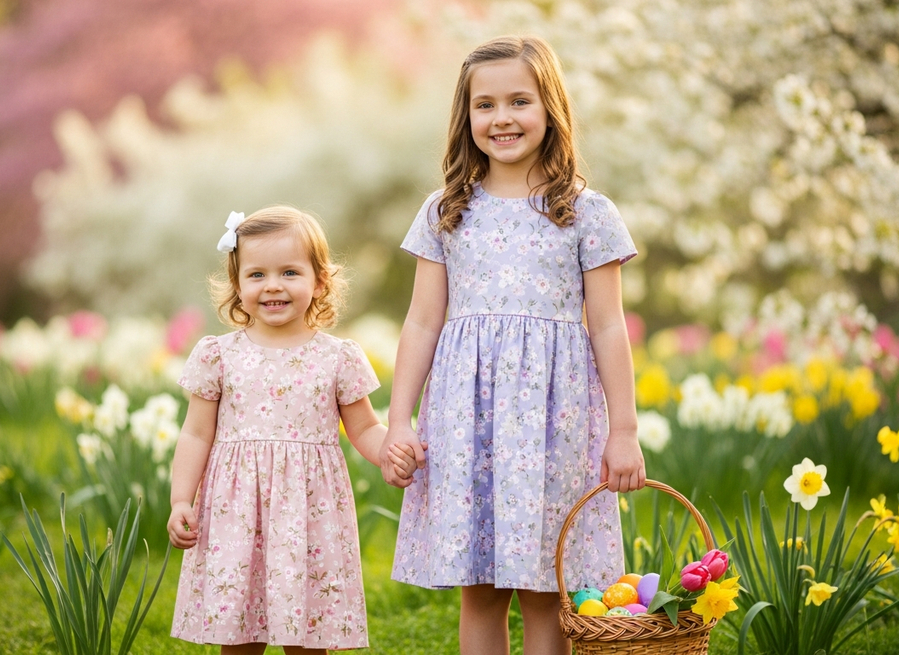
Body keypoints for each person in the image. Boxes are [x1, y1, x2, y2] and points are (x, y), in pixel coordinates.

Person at [379, 35, 646, 655]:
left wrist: (624, 429)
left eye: (520, 101)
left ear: (551, 108)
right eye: (485, 105)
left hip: (555, 421)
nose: (501, 118)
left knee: (547, 585)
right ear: (465, 116)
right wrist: (399, 419)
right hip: (466, 417)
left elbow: (608, 326)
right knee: (481, 587)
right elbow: (421, 322)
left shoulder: (585, 212)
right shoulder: (447, 209)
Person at [167, 206, 418, 654]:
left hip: (309, 515)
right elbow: (196, 434)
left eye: (289, 272)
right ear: (238, 284)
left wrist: (391, 452)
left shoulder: (337, 357)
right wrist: (181, 499)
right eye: (257, 274)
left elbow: (363, 428)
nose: (273, 285)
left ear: (320, 281)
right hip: (237, 517)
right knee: (239, 631)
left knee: (307, 630)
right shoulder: (218, 355)